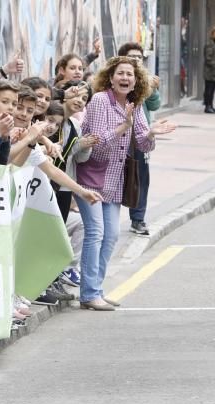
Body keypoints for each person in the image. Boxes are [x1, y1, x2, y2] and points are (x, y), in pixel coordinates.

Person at [75, 57, 176, 311]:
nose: (125, 78)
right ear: (111, 78)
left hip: (114, 182)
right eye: (120, 73)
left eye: (130, 74)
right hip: (90, 179)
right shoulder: (99, 101)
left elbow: (143, 143)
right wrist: (123, 126)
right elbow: (96, 147)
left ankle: (95, 290)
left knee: (112, 236)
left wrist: (151, 132)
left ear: (136, 80)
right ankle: (88, 294)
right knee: (95, 232)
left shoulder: (135, 103)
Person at [119, 42, 163, 236]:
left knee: (140, 178)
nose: (137, 60)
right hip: (118, 135)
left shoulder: (146, 81)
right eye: (132, 56)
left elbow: (154, 106)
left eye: (139, 57)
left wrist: (152, 89)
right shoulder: (118, 79)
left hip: (140, 137)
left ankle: (138, 219)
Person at [205, 26, 215, 113]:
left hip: (213, 73)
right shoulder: (210, 44)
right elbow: (208, 59)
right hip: (209, 72)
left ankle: (211, 105)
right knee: (209, 90)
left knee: (212, 91)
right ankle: (207, 106)